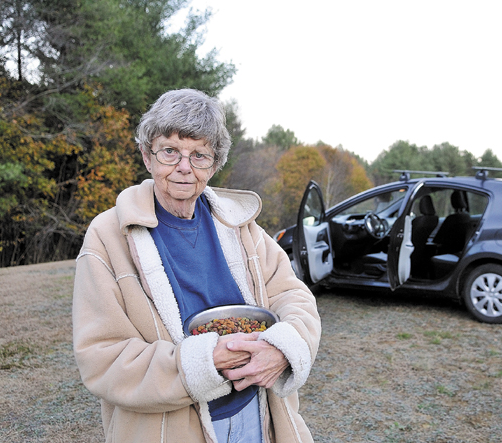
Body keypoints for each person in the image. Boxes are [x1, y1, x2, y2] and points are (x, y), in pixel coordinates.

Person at [72, 89, 321, 443]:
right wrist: (204, 364)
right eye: (170, 151)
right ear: (147, 155)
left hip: (256, 414)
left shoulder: (239, 224)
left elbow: (294, 297)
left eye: (199, 154)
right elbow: (102, 357)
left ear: (215, 162)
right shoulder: (108, 237)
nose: (184, 167)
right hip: (167, 429)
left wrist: (282, 349)